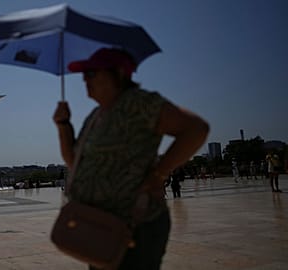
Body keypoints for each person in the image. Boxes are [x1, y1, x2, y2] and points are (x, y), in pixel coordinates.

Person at [53, 48, 209, 270]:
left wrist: (159, 174)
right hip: (99, 223)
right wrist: (63, 125)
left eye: (91, 73)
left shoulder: (140, 103)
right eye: (84, 74)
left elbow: (196, 129)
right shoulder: (96, 115)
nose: (85, 79)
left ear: (118, 73)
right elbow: (74, 162)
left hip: (136, 225)